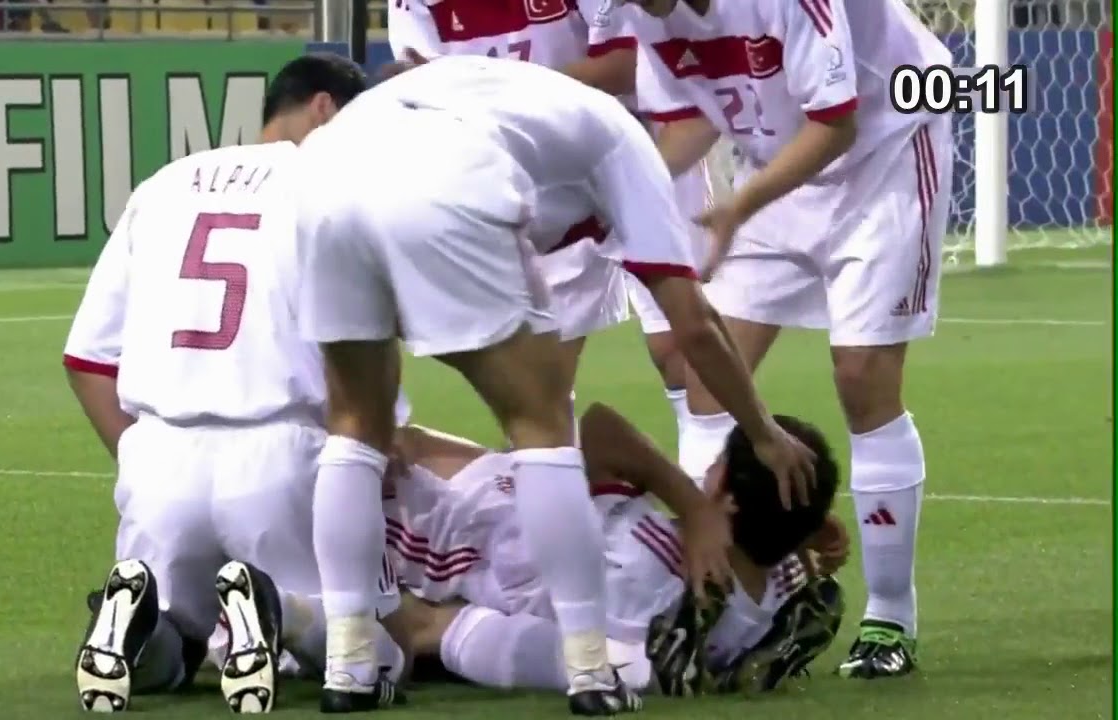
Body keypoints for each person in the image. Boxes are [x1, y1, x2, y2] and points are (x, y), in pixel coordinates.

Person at [292, 54, 816, 715]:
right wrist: (762, 432)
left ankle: (349, 666)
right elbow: (694, 324)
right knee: (540, 422)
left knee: (355, 426)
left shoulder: (533, 107)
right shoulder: (628, 151)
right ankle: (592, 671)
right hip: (440, 171)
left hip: (323, 168)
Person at [613, 0, 954, 678]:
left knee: (861, 376)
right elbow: (689, 120)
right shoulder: (646, 17)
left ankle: (890, 617)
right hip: (779, 171)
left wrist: (741, 204)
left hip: (884, 147)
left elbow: (836, 123)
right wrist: (614, 194)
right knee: (708, 380)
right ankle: (732, 596)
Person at [62, 53, 405, 713]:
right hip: (282, 456)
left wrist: (136, 458)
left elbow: (87, 360)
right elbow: (363, 390)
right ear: (326, 109)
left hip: (160, 457)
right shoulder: (335, 188)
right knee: (379, 654)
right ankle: (282, 610)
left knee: (176, 652)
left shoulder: (163, 184)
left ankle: (140, 628)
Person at [383, 0, 720, 452]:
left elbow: (627, 65)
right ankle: (555, 482)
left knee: (680, 346)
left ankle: (708, 481)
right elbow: (421, 85)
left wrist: (506, 89)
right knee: (540, 380)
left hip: (643, 147)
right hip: (529, 171)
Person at [379, 403, 846, 697]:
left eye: (717, 463)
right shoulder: (779, 577)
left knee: (411, 616)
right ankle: (681, 665)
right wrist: (803, 525)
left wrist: (691, 505)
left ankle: (633, 667)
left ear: (725, 490)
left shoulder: (644, 550)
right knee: (413, 443)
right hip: (542, 519)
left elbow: (598, 427)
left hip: (481, 532)